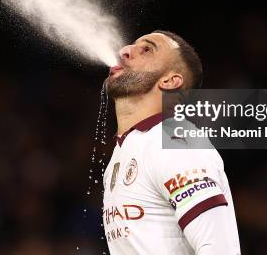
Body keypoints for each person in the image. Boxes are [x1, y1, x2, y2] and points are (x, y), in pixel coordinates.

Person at [103, 30, 241, 254]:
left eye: (147, 49)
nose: (124, 51)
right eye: (131, 45)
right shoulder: (127, 149)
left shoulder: (174, 142)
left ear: (169, 80)